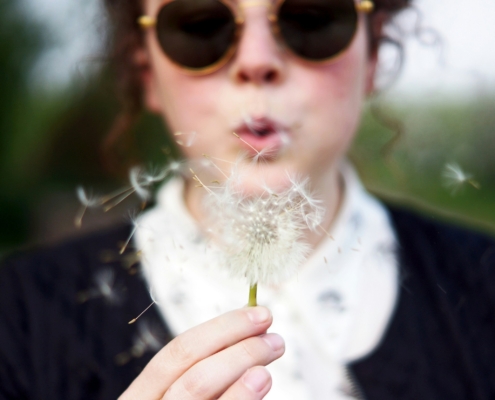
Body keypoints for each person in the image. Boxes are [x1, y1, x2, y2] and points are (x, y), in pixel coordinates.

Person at [1, 0, 494, 399]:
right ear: (146, 69)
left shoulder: (484, 284)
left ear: (374, 54)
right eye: (199, 25)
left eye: (312, 20)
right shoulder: (17, 320)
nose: (257, 61)